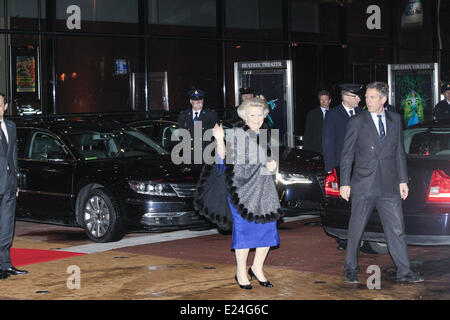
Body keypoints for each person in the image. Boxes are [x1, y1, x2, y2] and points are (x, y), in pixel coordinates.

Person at [194, 95, 282, 290]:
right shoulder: (236, 134)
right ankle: (241, 271)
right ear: (244, 116)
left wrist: (273, 165)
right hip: (241, 191)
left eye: (260, 115)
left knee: (268, 230)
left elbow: (270, 164)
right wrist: (218, 140)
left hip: (264, 190)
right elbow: (223, 157)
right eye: (253, 115)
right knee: (245, 232)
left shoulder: (267, 135)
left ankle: (257, 268)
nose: (257, 118)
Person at [339, 81, 424, 284]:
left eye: (372, 97)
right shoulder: (357, 121)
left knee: (396, 229)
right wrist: (344, 182)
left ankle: (404, 271)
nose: (367, 100)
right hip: (363, 184)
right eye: (366, 97)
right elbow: (347, 154)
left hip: (389, 185)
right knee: (356, 228)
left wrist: (403, 180)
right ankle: (350, 267)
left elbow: (399, 153)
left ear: (383, 99)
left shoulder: (394, 119)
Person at [322, 84, 362, 251]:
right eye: (356, 97)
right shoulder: (333, 115)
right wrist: (330, 168)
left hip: (360, 167)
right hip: (340, 167)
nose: (359, 99)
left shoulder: (362, 114)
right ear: (346, 97)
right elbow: (328, 142)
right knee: (344, 203)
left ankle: (358, 234)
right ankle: (344, 238)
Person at [0, 93, 26, 279]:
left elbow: (13, 156)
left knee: (7, 227)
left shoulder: (11, 126)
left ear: (5, 106)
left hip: (8, 185)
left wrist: (15, 182)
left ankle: (6, 265)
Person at [177, 89, 219, 164]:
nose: (198, 102)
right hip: (189, 155)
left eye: (200, 100)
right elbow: (181, 134)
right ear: (191, 101)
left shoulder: (211, 115)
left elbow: (215, 135)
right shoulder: (184, 115)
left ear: (203, 101)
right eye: (195, 100)